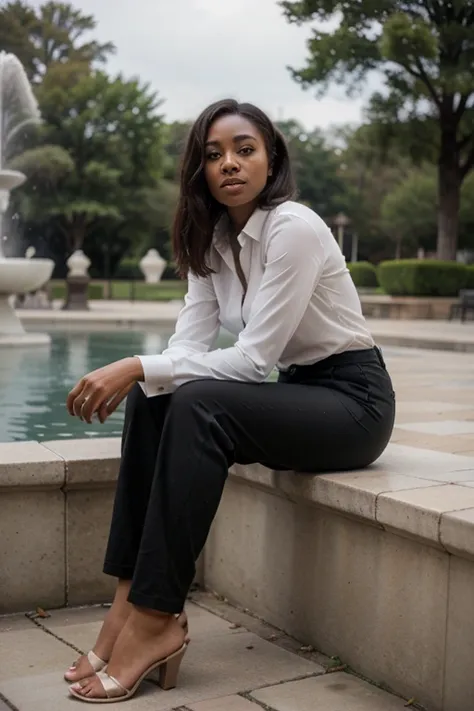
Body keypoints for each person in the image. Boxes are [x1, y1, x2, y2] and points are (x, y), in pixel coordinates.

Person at [65, 99, 395, 703]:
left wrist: (138, 362)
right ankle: (125, 604)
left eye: (245, 149)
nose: (230, 164)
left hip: (353, 403)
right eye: (214, 155)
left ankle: (156, 619)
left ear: (271, 158)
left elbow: (252, 360)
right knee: (155, 398)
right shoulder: (210, 238)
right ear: (200, 170)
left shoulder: (294, 227)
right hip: (298, 394)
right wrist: (147, 374)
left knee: (191, 400)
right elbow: (187, 348)